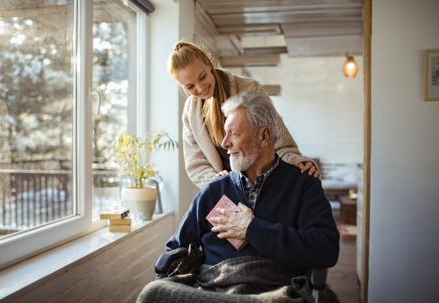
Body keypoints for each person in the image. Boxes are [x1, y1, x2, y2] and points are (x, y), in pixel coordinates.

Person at [136, 90, 339, 303]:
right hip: (213, 289)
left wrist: (252, 229)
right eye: (224, 134)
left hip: (274, 290)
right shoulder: (214, 189)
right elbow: (176, 247)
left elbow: (326, 249)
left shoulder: (303, 185)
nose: (224, 144)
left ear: (264, 136)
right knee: (153, 293)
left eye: (234, 134)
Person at [168, 41, 320, 188]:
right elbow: (196, 164)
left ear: (208, 63)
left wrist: (297, 161)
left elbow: (279, 140)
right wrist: (215, 182)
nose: (200, 88)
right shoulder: (190, 112)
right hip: (226, 192)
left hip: (264, 184)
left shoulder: (249, 88)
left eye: (202, 77)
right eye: (190, 86)